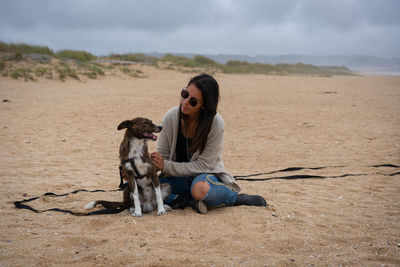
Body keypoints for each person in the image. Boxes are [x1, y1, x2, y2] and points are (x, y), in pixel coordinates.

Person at [150, 74, 266, 214]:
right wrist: (139, 170)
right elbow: (162, 158)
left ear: (204, 106)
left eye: (193, 101)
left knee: (200, 190)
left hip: (203, 177)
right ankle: (186, 200)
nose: (185, 102)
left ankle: (233, 197)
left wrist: (166, 166)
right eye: (184, 94)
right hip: (177, 178)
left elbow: (203, 166)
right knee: (137, 187)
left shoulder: (216, 123)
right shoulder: (171, 117)